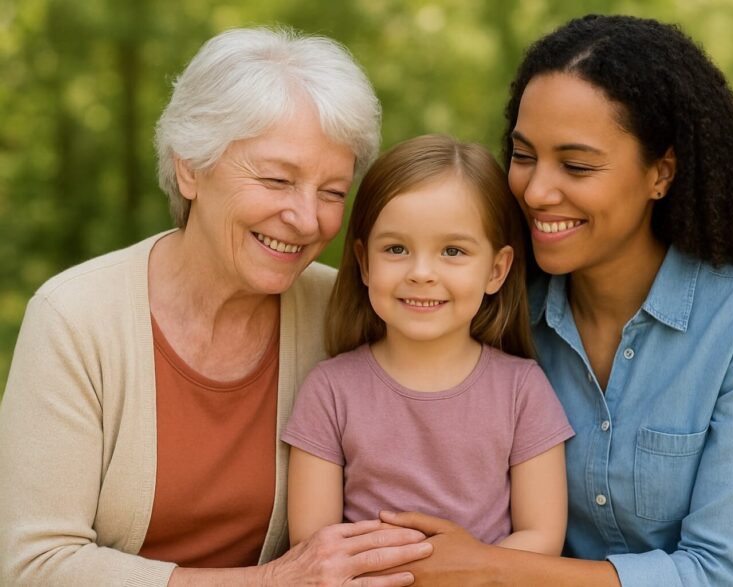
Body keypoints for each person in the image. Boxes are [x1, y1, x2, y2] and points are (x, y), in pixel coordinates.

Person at [376, 15, 733, 586]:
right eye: (523, 156)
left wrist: (490, 568)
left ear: (661, 173)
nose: (537, 191)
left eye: (576, 165)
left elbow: (721, 574)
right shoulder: (502, 309)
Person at [0, 27, 433, 587]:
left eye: (332, 192)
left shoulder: (345, 311)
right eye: (278, 180)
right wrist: (274, 583)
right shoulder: (75, 317)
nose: (307, 220)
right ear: (190, 167)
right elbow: (33, 565)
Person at [283, 134, 574, 556]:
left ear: (496, 270)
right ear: (365, 263)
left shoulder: (522, 391)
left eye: (452, 251)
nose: (421, 273)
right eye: (397, 248)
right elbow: (313, 545)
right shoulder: (329, 391)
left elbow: (542, 536)